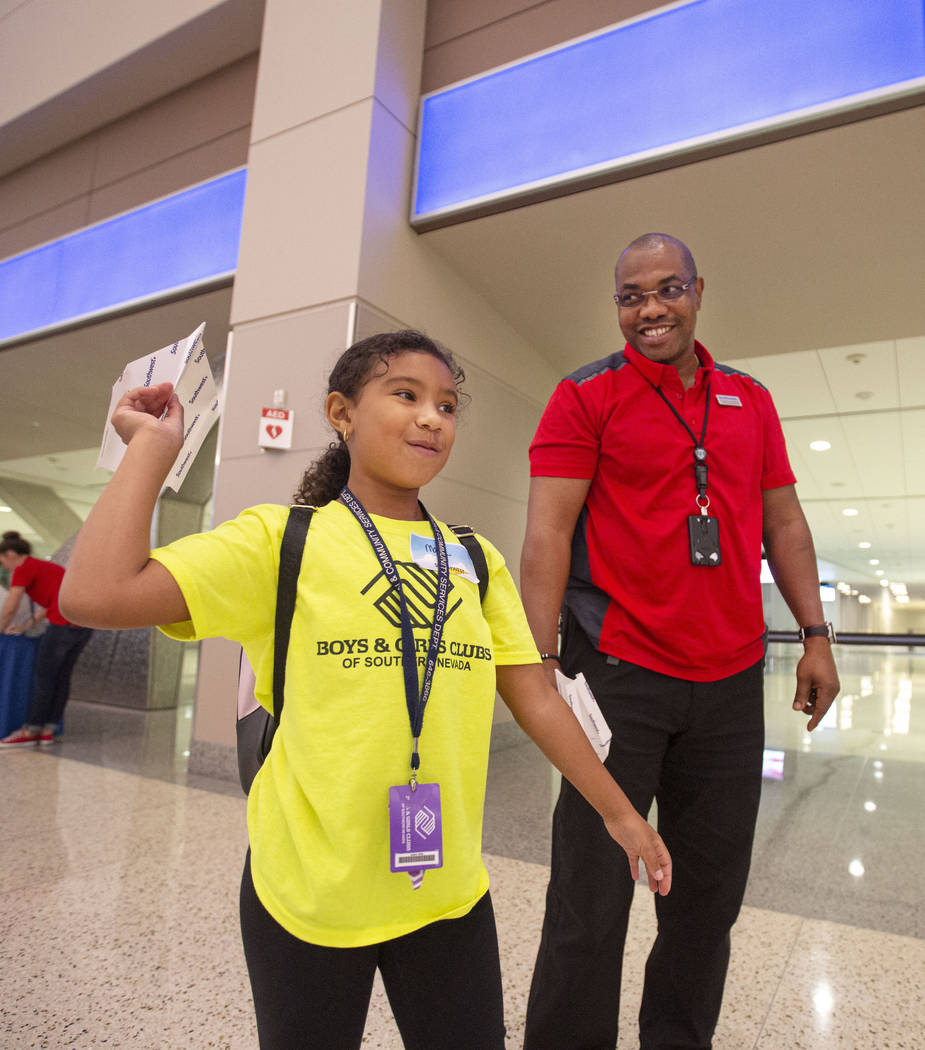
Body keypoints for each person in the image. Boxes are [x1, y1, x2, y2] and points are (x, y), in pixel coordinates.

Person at [58, 329, 672, 1050]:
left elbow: (535, 698)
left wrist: (619, 812)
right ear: (341, 412)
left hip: (444, 891)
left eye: (447, 405)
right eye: (405, 395)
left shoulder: (474, 559)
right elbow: (94, 593)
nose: (432, 418)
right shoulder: (279, 541)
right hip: (309, 889)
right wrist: (151, 450)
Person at [521, 234, 840, 1050]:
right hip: (617, 678)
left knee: (705, 903)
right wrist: (540, 663)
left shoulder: (748, 399)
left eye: (667, 290)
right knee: (588, 900)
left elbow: (783, 522)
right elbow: (547, 534)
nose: (650, 309)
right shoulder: (584, 395)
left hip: (730, 685)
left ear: (697, 290)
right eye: (631, 296)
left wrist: (815, 636)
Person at [0, 531, 93, 747]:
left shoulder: (23, 569)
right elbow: (53, 598)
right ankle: (48, 729)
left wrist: (1, 629)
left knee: (44, 677)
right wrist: (29, 625)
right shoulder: (46, 567)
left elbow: (11, 606)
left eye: (3, 560)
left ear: (11, 554)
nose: (4, 566)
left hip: (62, 625)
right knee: (61, 677)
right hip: (82, 626)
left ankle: (31, 730)